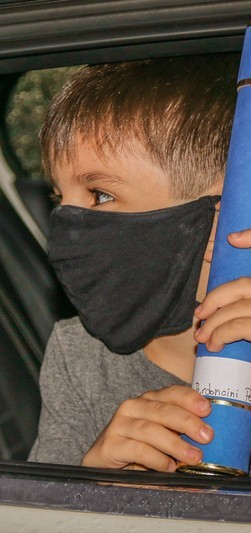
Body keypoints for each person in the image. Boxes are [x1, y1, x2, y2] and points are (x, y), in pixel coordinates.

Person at [27, 54, 251, 471]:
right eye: (59, 199)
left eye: (100, 195)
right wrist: (94, 483)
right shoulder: (79, 356)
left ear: (222, 220)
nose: (66, 227)